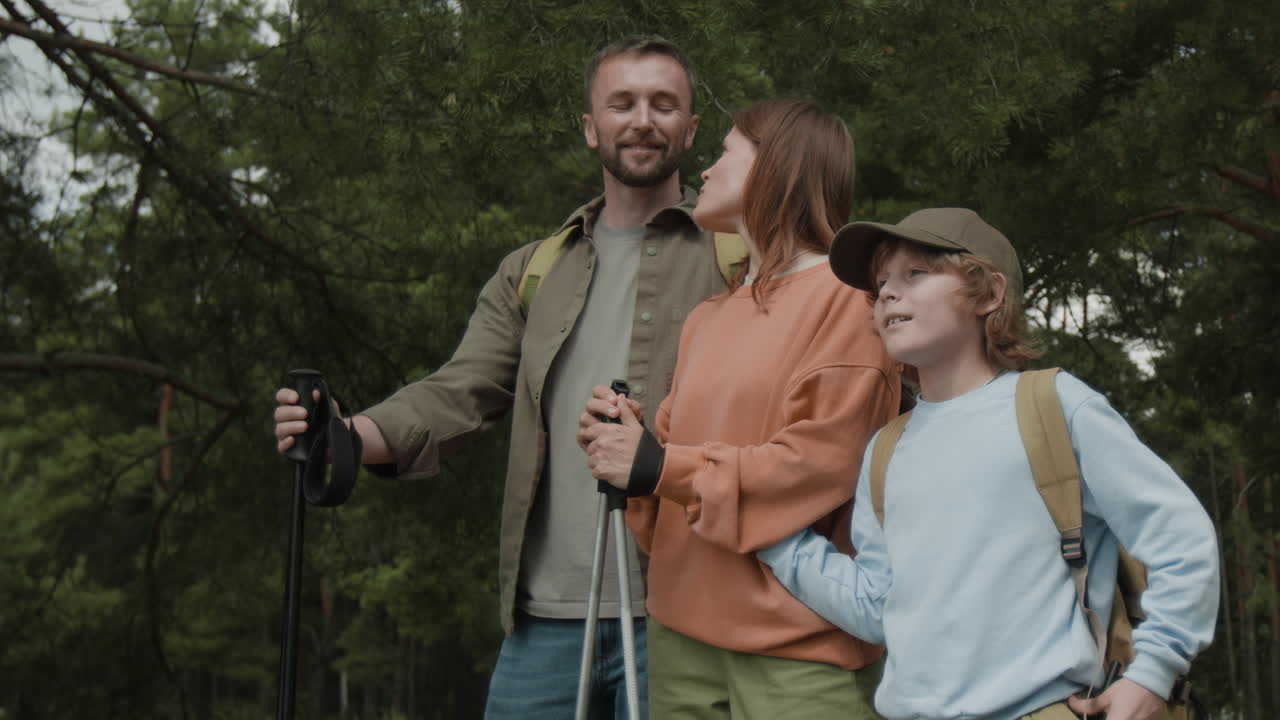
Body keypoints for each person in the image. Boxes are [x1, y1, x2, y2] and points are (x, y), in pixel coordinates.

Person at [273, 36, 731, 719]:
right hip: (543, 621)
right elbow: (458, 392)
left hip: (684, 611)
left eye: (664, 104)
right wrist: (344, 434)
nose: (643, 120)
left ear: (691, 129)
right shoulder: (534, 270)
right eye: (623, 103)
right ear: (589, 127)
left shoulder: (739, 259)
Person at [757, 208, 1220, 720]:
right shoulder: (884, 449)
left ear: (989, 294)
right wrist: (768, 532)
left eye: (916, 273)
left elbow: (1180, 537)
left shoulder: (1053, 406)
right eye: (882, 282)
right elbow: (875, 606)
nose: (888, 292)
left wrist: (1152, 674)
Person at [577, 99, 899, 719]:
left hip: (799, 654)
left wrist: (661, 468)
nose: (705, 168)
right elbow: (669, 497)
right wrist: (627, 450)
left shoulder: (850, 302)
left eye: (724, 151)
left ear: (773, 168)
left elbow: (818, 466)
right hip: (678, 641)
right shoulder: (708, 316)